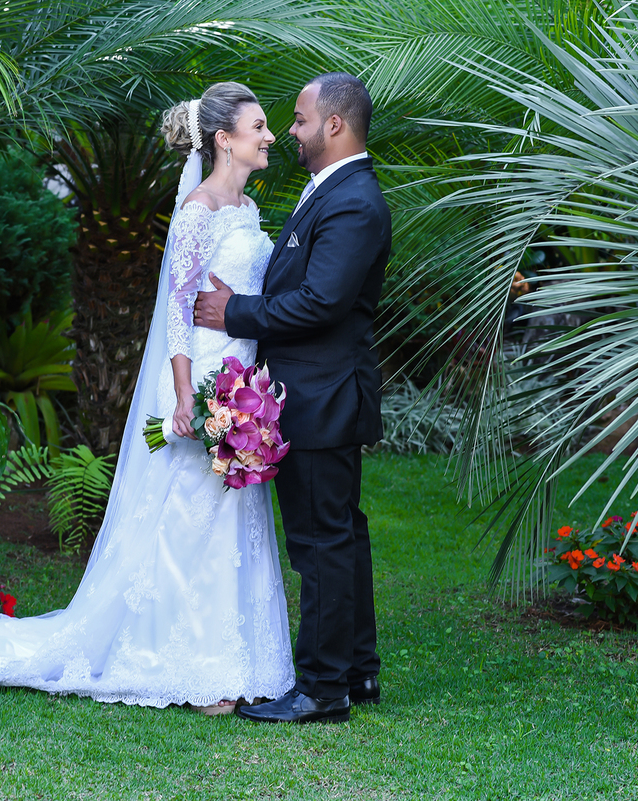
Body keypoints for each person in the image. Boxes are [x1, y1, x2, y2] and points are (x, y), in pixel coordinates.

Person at [0, 82, 295, 714]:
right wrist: (188, 394)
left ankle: (235, 660)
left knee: (230, 518)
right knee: (187, 519)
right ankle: (181, 662)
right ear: (224, 140)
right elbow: (177, 312)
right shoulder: (196, 211)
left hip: (244, 378)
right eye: (258, 127)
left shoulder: (244, 212)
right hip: (204, 379)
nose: (270, 136)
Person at [194, 72, 390, 724]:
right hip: (317, 392)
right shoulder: (333, 192)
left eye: (301, 120)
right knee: (341, 536)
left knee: (320, 542)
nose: (292, 132)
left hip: (324, 395)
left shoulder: (354, 200)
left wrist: (235, 312)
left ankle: (324, 688)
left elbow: (323, 301)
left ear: (334, 125)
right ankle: (357, 672)